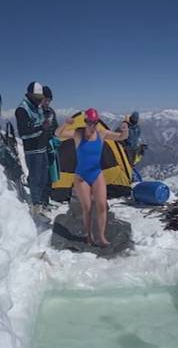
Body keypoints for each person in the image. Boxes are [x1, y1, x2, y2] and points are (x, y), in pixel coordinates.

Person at [56, 108, 129, 247]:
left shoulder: (102, 133)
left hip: (96, 174)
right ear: (85, 122)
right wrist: (66, 123)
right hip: (81, 176)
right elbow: (58, 134)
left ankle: (101, 237)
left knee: (102, 206)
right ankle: (88, 235)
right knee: (87, 208)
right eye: (90, 122)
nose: (93, 125)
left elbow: (121, 137)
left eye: (95, 122)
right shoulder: (78, 133)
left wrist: (125, 129)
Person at [15, 81, 52, 214]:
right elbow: (23, 132)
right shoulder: (22, 109)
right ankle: (35, 207)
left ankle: (41, 204)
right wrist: (42, 127)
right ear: (29, 95)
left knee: (43, 178)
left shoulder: (37, 106)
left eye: (40, 98)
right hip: (32, 150)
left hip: (41, 147)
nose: (39, 101)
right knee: (36, 178)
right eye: (37, 98)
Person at [42, 86, 61, 191]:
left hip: (50, 145)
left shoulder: (51, 112)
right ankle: (41, 198)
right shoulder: (37, 112)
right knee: (42, 172)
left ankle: (48, 196)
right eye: (46, 100)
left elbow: (55, 127)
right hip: (41, 146)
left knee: (51, 171)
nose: (47, 102)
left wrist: (55, 138)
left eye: (49, 100)